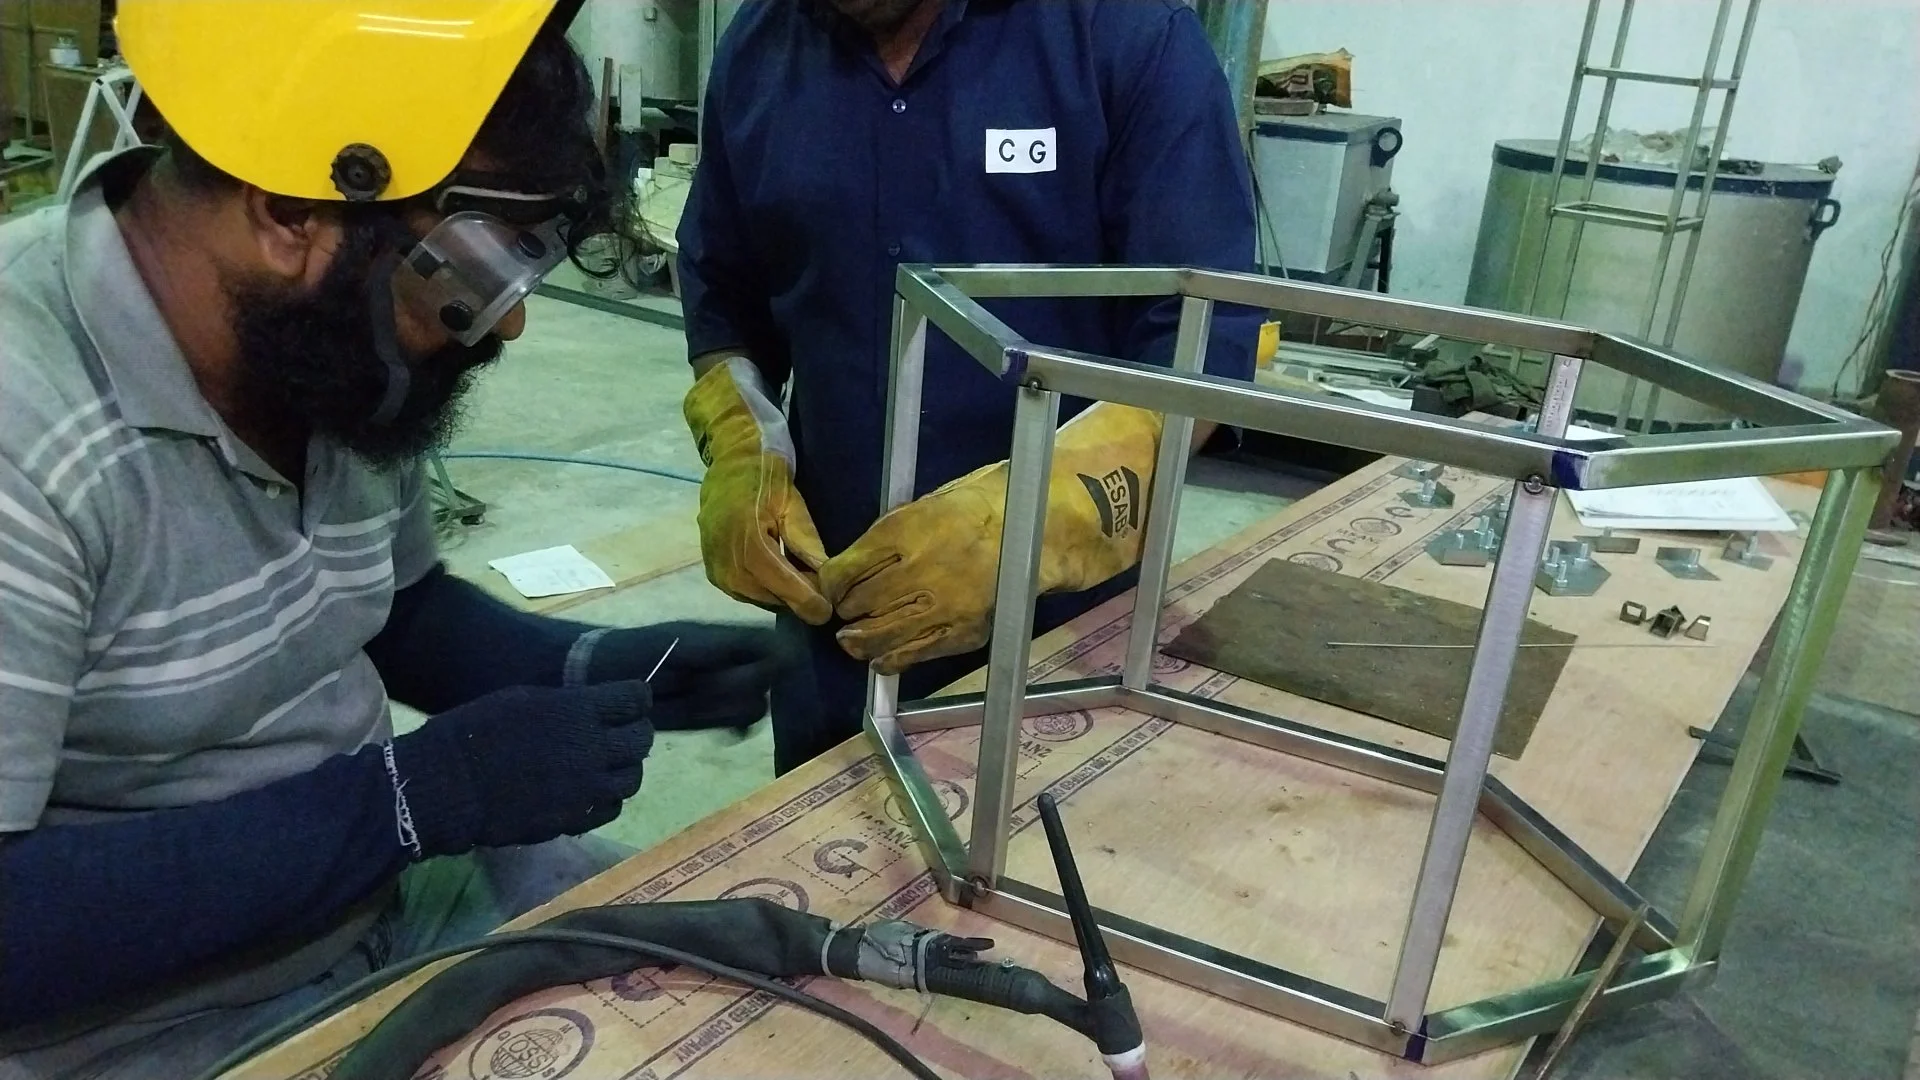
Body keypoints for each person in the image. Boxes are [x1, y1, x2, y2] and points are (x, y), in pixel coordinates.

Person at [0, 2, 780, 1075]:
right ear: (286, 209)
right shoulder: (24, 429)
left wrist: (589, 667)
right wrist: (414, 800)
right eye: (476, 267)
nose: (506, 324)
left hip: (383, 907)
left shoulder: (324, 347)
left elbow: (383, 607)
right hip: (145, 1026)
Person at [677, 0, 1261, 773]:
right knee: (822, 870)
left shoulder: (1122, 36)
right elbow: (725, 289)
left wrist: (1027, 529)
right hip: (834, 613)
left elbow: (1202, 343)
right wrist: (741, 439)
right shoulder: (759, 47)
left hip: (1062, 635)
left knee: (1047, 862)